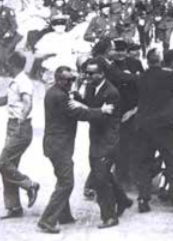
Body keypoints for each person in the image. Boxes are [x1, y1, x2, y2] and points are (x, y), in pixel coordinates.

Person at [38, 65, 114, 234]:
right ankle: (47, 220)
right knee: (66, 183)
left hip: (55, 144)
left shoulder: (56, 92)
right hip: (59, 145)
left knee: (62, 179)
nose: (71, 83)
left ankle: (64, 215)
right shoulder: (59, 96)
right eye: (68, 80)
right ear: (58, 80)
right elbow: (80, 114)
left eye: (73, 79)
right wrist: (101, 110)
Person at [0, 51, 40, 219]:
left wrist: (21, 120)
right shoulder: (16, 81)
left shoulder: (23, 82)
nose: (5, 66)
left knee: (3, 163)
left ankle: (29, 185)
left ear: (13, 64)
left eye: (7, 64)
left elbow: (28, 103)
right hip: (13, 125)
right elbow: (7, 99)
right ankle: (14, 207)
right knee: (9, 167)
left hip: (20, 127)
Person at [134, 48, 173, 212]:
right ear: (160, 61)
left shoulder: (141, 77)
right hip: (163, 125)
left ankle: (143, 198)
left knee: (143, 162)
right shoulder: (167, 75)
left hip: (143, 124)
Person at [72, 58, 132, 228]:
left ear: (102, 74)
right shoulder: (92, 87)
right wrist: (77, 95)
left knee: (100, 178)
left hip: (108, 140)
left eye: (91, 73)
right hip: (97, 138)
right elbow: (91, 105)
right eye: (86, 73)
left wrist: (81, 109)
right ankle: (123, 200)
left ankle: (110, 216)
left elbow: (99, 116)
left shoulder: (111, 93)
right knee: (102, 173)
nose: (87, 76)